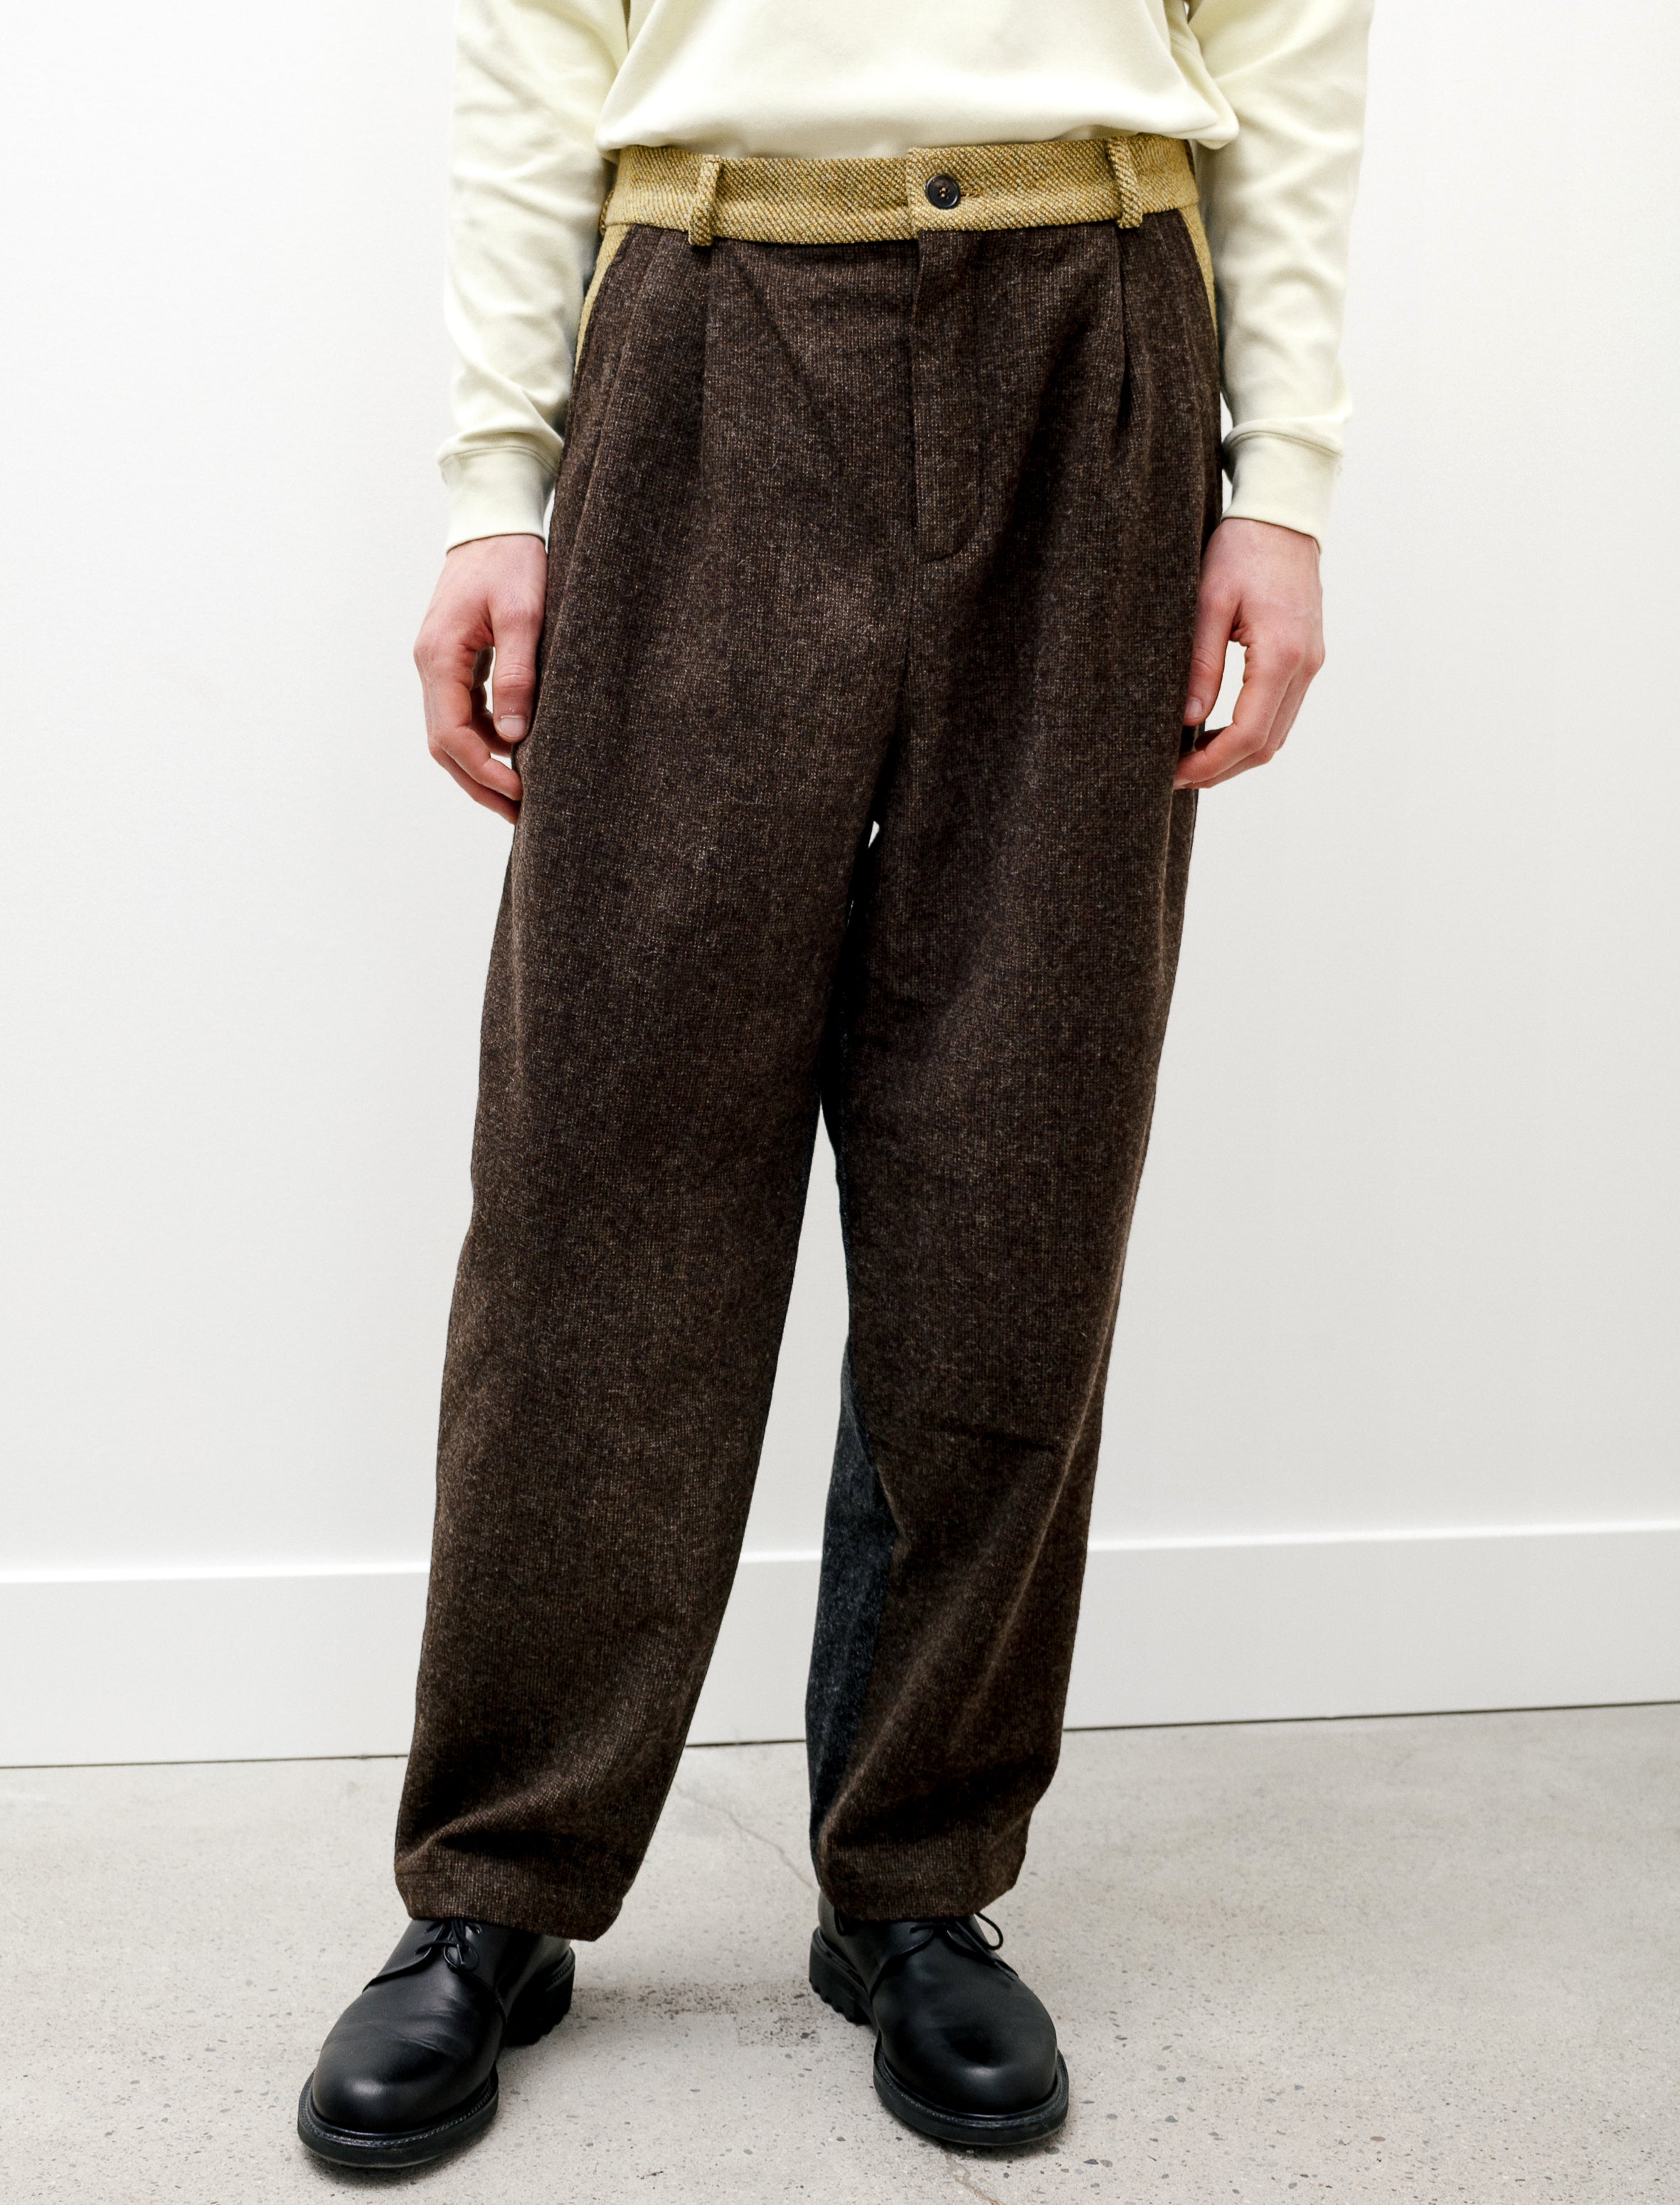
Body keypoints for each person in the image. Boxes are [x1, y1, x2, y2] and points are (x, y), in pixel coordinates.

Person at [296, 0, 1371, 2169]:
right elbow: (535, 50)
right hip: (704, 323)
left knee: (1014, 1152)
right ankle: (496, 1879)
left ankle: (916, 1879)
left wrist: (1286, 483)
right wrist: (493, 485)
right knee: (604, 1155)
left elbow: (1288, 48)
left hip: (1096, 333)